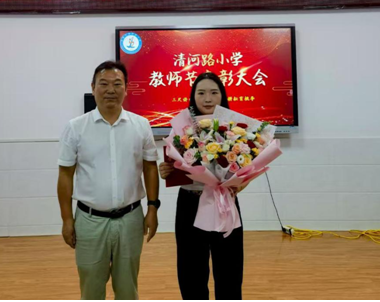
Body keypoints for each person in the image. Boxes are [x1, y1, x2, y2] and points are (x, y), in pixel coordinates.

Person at [57, 60, 160, 300]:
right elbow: (65, 174)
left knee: (127, 288)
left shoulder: (141, 125)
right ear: (93, 88)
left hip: (131, 219)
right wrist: (67, 219)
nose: (110, 90)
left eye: (117, 84)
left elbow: (150, 168)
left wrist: (152, 209)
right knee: (91, 288)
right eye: (103, 84)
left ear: (126, 88)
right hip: (90, 221)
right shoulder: (75, 128)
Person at [159, 72, 245, 300]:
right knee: (191, 270)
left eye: (214, 92)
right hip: (190, 203)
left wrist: (240, 183)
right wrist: (165, 170)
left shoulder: (235, 127)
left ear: (222, 96)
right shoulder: (181, 128)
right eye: (201, 93)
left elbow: (245, 168)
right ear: (193, 96)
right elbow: (172, 162)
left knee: (229, 269)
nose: (208, 98)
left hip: (224, 202)